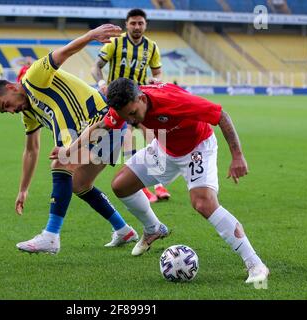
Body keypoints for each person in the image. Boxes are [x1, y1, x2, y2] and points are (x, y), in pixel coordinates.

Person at [61, 78, 269, 284]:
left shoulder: (175, 102)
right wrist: (70, 150)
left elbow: (221, 115)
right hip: (164, 149)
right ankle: (153, 229)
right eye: (127, 117)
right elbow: (101, 126)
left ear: (141, 98)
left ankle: (255, 263)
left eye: (133, 114)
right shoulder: (126, 106)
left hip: (197, 149)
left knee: (203, 203)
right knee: (121, 185)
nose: (132, 121)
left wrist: (237, 156)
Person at [0, 24, 138, 254]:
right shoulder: (28, 113)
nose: (11, 111)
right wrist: (23, 189)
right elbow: (31, 150)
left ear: (11, 87)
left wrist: (91, 35)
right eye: (6, 112)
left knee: (61, 163)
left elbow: (64, 52)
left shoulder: (34, 76)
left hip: (102, 120)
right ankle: (124, 230)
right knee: (79, 184)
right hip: (92, 134)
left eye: (7, 105)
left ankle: (51, 236)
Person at [91, 8, 170, 203]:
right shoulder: (115, 43)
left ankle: (159, 184)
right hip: (119, 103)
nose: (136, 26)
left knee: (154, 140)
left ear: (145, 25)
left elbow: (158, 72)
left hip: (141, 100)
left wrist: (155, 79)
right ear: (126, 24)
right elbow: (96, 67)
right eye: (133, 23)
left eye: (140, 23)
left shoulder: (152, 47)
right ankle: (141, 188)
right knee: (129, 140)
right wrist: (102, 84)